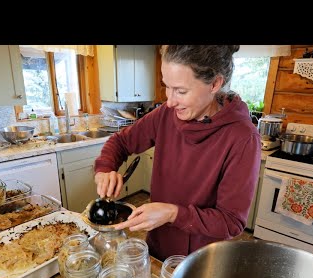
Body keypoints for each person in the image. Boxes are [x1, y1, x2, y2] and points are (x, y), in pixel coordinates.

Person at [94, 45, 261, 261]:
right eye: (167, 87)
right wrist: (105, 168)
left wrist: (173, 213)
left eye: (181, 91)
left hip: (201, 261)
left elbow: (231, 221)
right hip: (157, 248)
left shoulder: (242, 138)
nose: (170, 101)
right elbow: (121, 141)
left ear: (215, 84)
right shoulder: (166, 114)